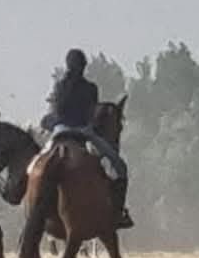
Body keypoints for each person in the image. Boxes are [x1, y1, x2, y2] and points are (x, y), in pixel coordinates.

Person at [47, 48, 134, 229]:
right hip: (83, 132)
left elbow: (56, 111)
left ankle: (29, 205)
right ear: (83, 66)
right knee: (120, 166)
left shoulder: (59, 86)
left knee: (35, 164)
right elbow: (91, 116)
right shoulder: (91, 88)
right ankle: (118, 212)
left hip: (59, 131)